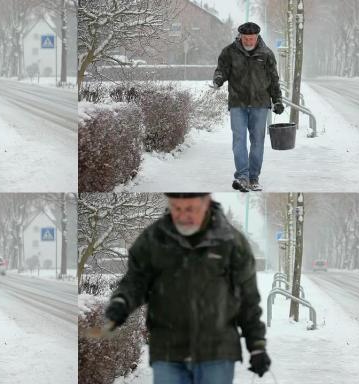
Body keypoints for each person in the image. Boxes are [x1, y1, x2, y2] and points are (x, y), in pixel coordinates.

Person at [103, 193, 270, 384]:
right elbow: (135, 280)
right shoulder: (154, 240)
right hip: (168, 352)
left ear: (206, 203)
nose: (182, 216)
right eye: (177, 208)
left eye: (190, 209)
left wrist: (256, 345)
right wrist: (122, 301)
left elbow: (248, 300)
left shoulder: (231, 242)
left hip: (217, 353)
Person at [213, 22, 284, 192]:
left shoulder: (266, 54)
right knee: (239, 140)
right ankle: (242, 176)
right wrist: (218, 80)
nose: (249, 41)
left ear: (257, 37)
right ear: (240, 36)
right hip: (238, 103)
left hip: (260, 104)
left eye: (252, 38)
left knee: (258, 142)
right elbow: (221, 70)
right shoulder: (229, 52)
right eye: (246, 38)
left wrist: (278, 100)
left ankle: (254, 178)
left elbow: (274, 79)